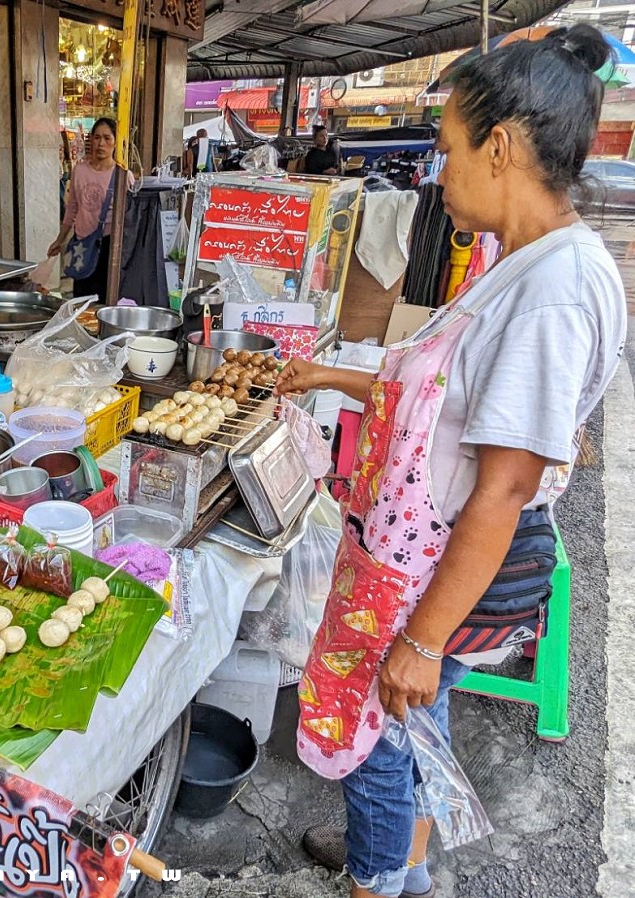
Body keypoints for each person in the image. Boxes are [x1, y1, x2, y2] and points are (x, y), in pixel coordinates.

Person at [280, 25, 625, 898]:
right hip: (427, 557)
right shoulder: (523, 261)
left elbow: (503, 487)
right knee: (411, 726)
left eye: (447, 149)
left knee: (383, 732)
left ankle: (377, 876)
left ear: (501, 147)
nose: (438, 172)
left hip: (448, 569)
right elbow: (446, 406)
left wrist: (424, 640)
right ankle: (408, 865)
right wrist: (329, 374)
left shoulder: (552, 292)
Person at [47, 117, 129, 304]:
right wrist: (59, 240)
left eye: (107, 138)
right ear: (90, 139)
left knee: (104, 301)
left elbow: (129, 217)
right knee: (81, 300)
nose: (101, 143)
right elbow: (72, 209)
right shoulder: (80, 171)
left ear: (115, 141)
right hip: (82, 246)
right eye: (97, 137)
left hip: (109, 247)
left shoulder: (123, 176)